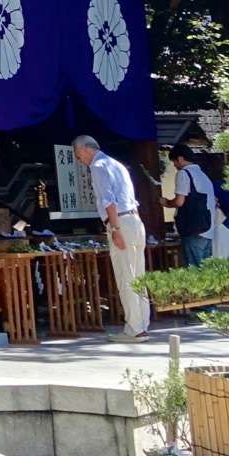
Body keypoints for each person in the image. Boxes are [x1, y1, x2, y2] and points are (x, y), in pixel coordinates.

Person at [75, 134, 149, 340]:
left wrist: (115, 228)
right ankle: (142, 323)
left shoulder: (98, 167)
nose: (79, 159)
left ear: (85, 148)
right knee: (138, 274)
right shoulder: (118, 164)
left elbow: (109, 201)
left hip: (121, 222)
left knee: (126, 275)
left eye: (78, 154)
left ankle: (135, 329)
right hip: (135, 220)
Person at [161, 144, 216, 268]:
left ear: (180, 159)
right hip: (208, 228)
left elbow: (179, 201)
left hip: (193, 229)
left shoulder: (184, 174)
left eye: (174, 161)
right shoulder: (203, 176)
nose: (174, 165)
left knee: (194, 272)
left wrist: (166, 203)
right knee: (207, 271)